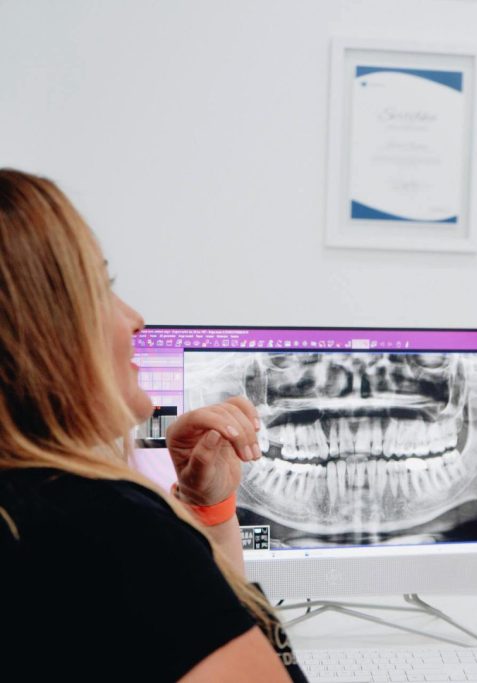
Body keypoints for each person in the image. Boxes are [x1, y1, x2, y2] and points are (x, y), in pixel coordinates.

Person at [0, 169, 306, 682]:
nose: (135, 318)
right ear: (42, 331)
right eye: (101, 288)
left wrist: (207, 511)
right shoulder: (109, 525)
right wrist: (167, 533)